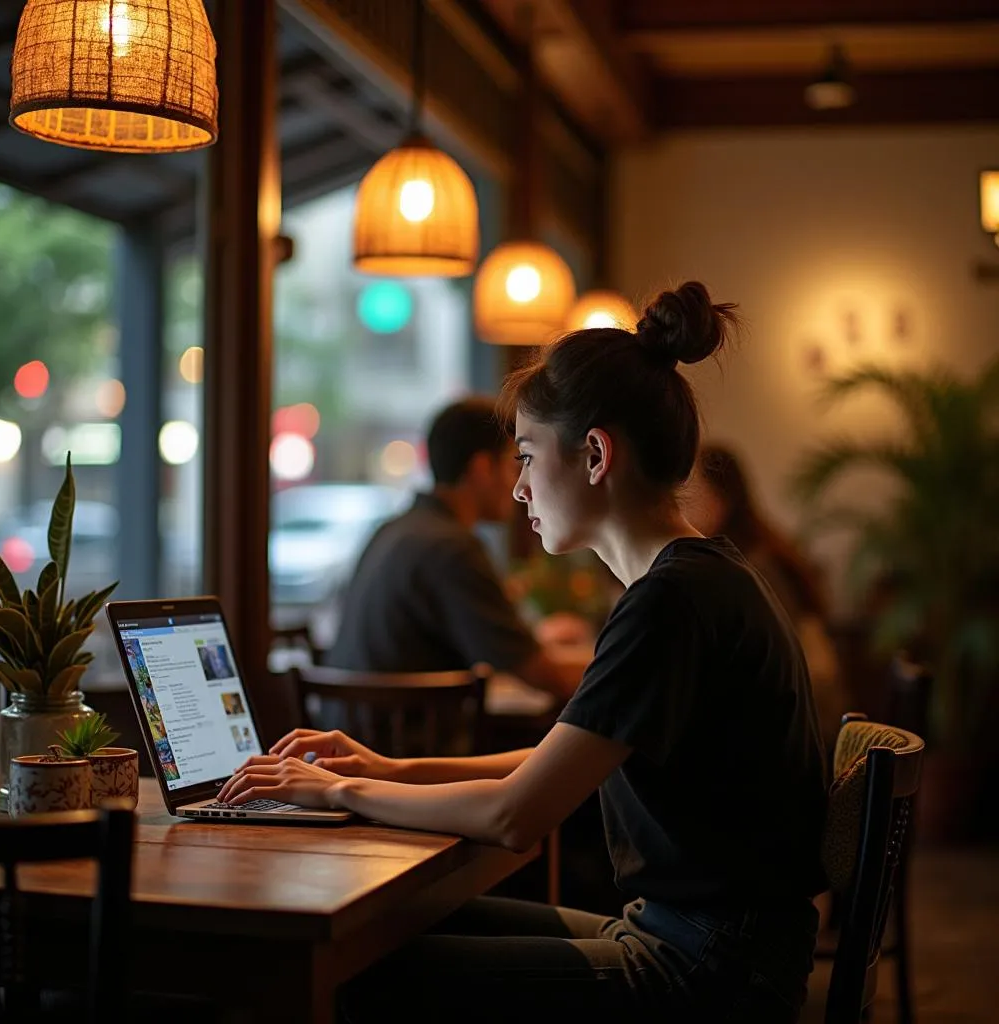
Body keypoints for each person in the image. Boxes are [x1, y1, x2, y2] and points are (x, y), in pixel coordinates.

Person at [218, 283, 828, 1024]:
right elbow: (548, 763)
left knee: (359, 974)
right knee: (390, 931)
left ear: (596, 454)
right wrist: (387, 768)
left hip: (704, 969)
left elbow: (516, 815)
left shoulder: (670, 603)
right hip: (707, 942)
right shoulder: (700, 578)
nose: (519, 489)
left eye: (530, 457)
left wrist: (340, 792)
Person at [327, 396, 587, 700]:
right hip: (407, 742)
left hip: (351, 731)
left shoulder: (395, 529)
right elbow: (542, 675)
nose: (519, 485)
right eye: (516, 462)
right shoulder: (452, 548)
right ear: (482, 468)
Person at [689, 443, 850, 754]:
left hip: (807, 725)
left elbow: (772, 665)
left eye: (690, 493)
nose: (681, 507)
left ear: (719, 499)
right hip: (800, 713)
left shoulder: (752, 566)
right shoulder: (755, 548)